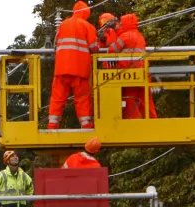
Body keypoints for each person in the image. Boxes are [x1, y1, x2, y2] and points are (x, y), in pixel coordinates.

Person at [48, 1, 99, 130]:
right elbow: (94, 48)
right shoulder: (87, 26)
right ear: (86, 12)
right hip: (80, 69)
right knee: (82, 98)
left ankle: (53, 124)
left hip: (61, 69)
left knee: (58, 97)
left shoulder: (63, 25)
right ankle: (86, 124)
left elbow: (56, 44)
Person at [100, 14, 158, 119]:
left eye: (122, 23)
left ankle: (132, 124)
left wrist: (108, 37)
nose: (120, 25)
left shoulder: (125, 36)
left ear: (126, 24)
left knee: (131, 101)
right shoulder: (139, 36)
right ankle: (153, 122)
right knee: (146, 101)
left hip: (131, 74)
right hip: (143, 73)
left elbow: (112, 50)